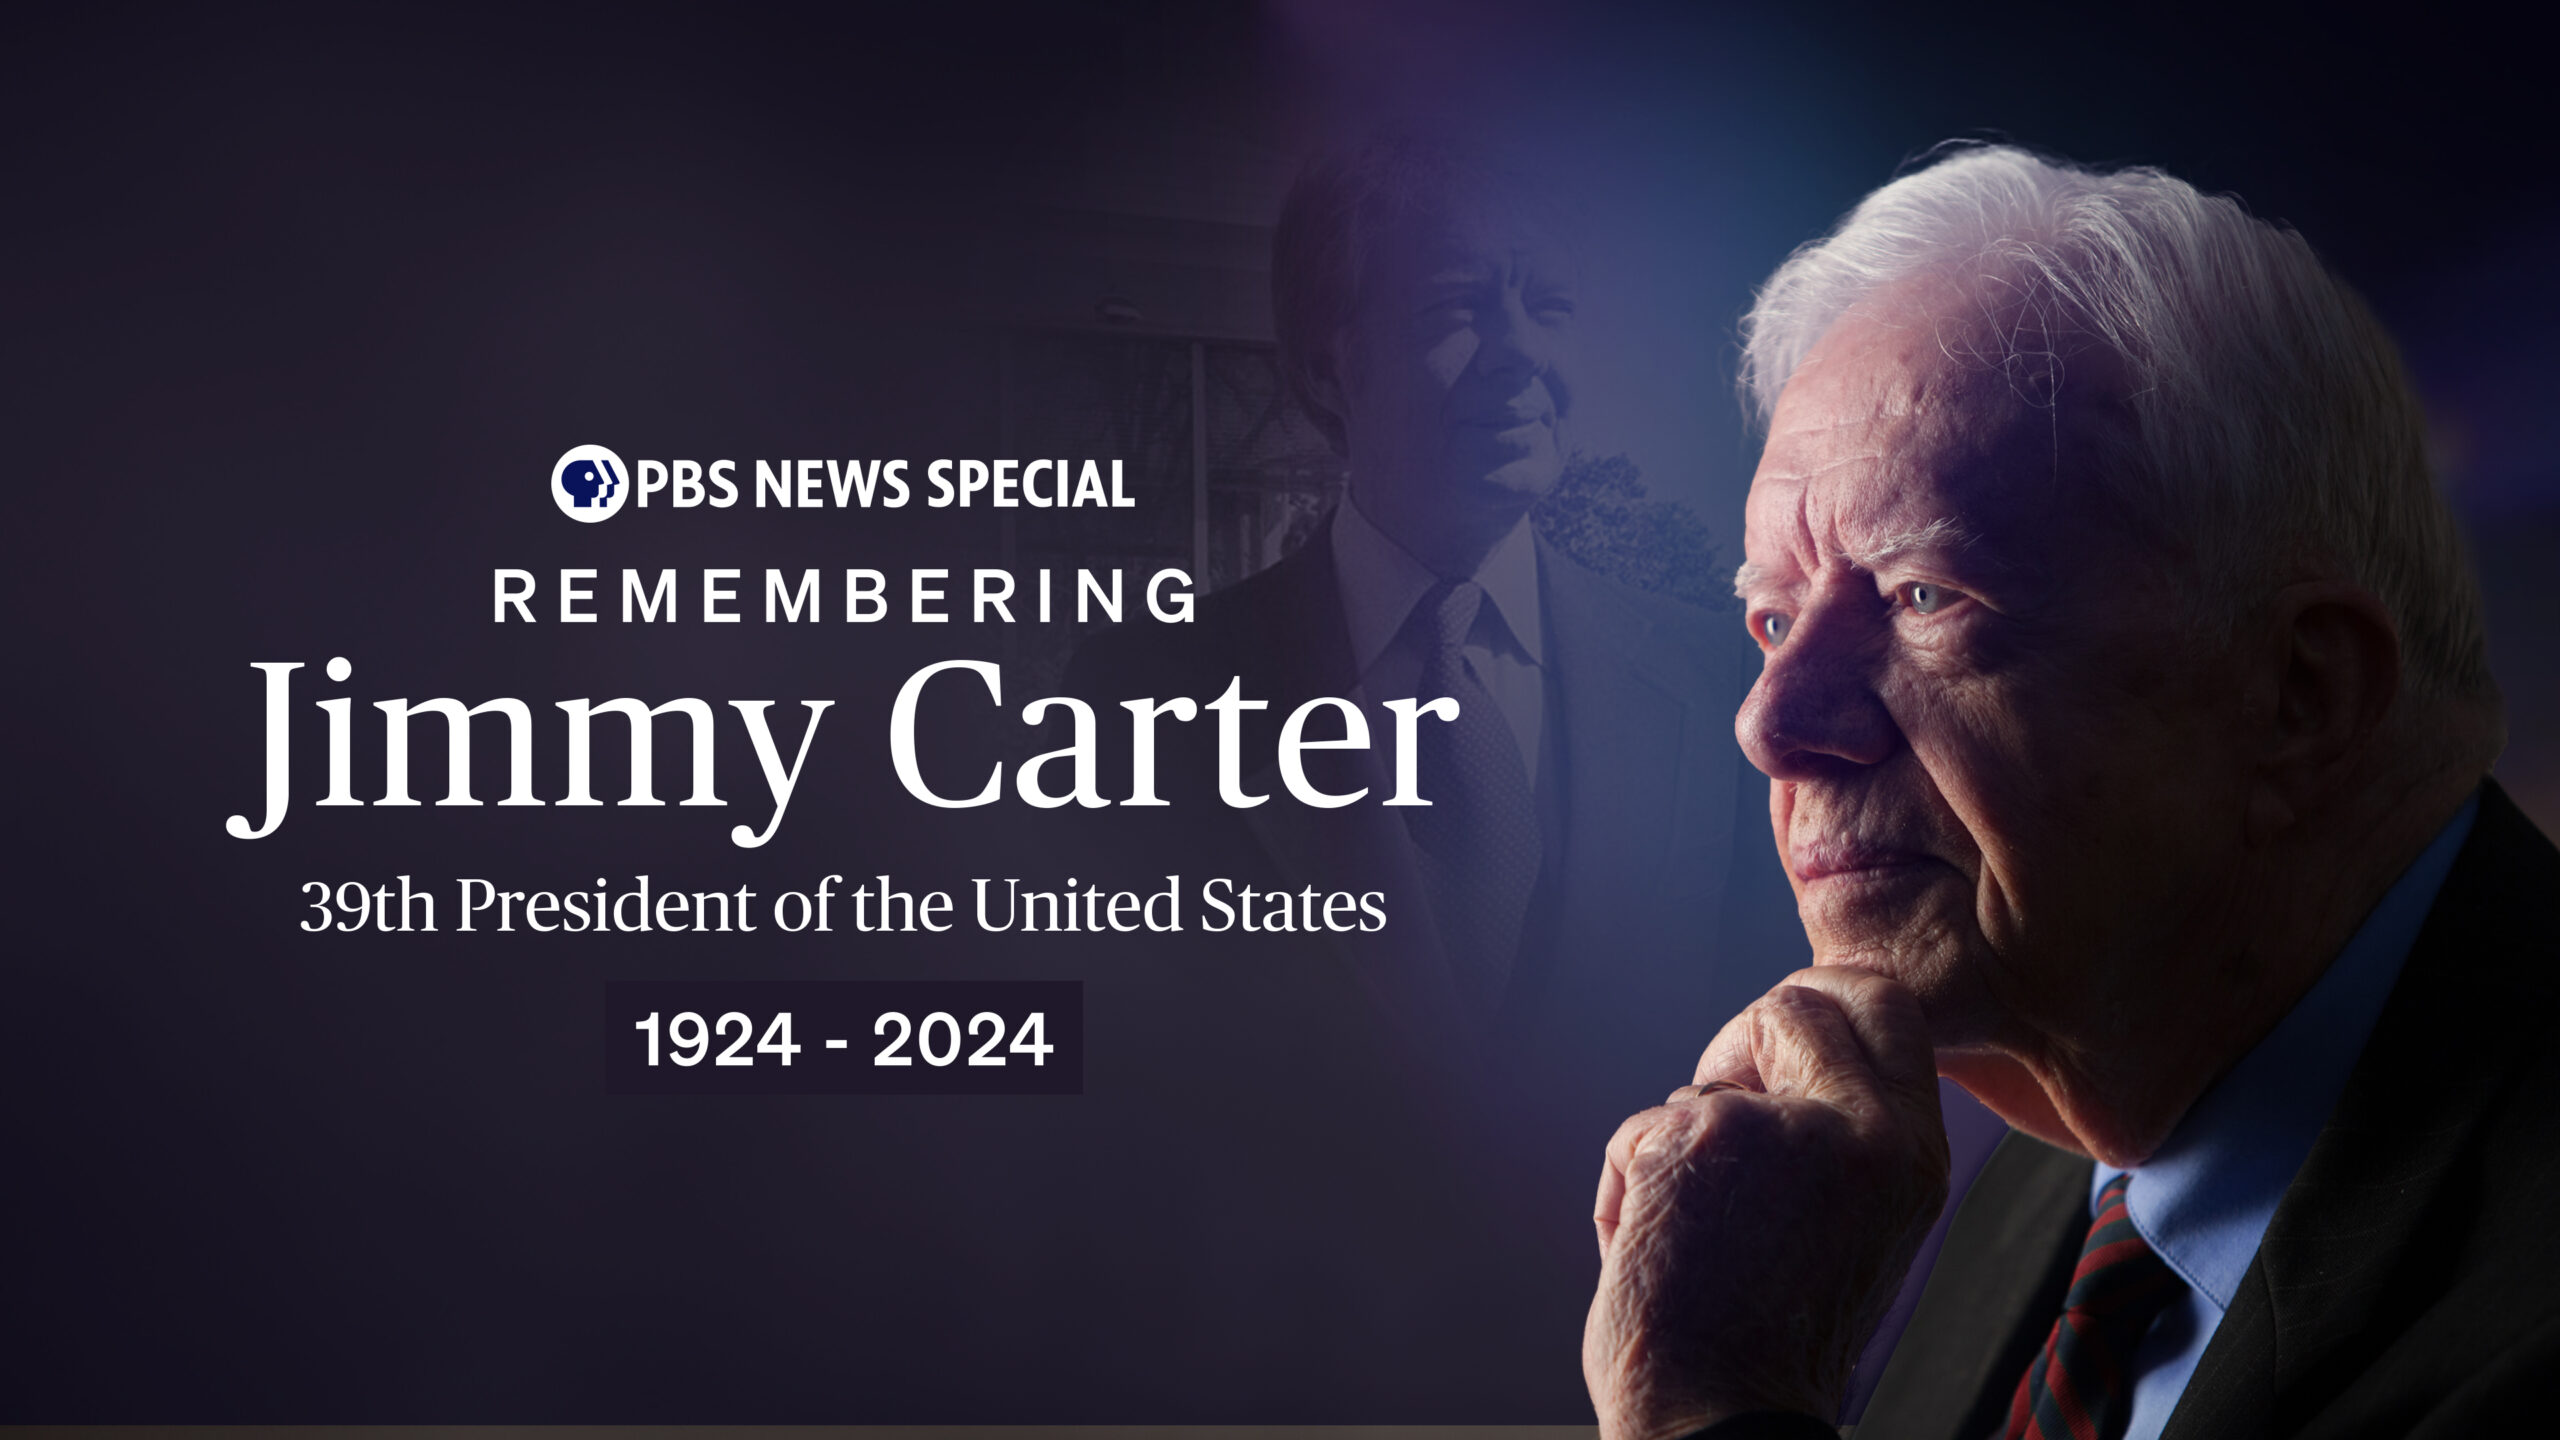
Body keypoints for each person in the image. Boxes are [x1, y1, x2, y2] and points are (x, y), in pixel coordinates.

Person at [1582, 144, 2553, 1440]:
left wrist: (1720, 1409)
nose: (1772, 725)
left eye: (1924, 598)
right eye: (1772, 620)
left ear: (2301, 695)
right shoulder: (2071, 1143)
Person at [1069, 138, 1787, 1112]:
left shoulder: (1718, 687)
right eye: (1455, 308)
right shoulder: (1134, 702)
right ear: (1329, 368)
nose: (1522, 351)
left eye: (1549, 309)